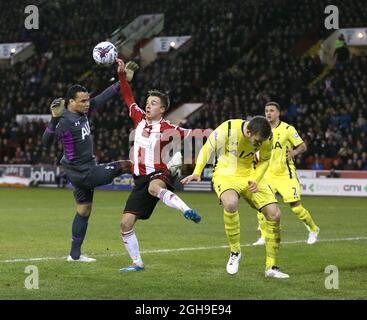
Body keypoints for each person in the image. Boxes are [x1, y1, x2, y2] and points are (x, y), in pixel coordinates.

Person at [42, 62, 138, 262]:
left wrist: (123, 80)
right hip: (84, 173)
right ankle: (152, 187)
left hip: (79, 171)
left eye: (87, 100)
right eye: (83, 101)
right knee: (127, 165)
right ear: (71, 102)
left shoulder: (83, 111)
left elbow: (103, 97)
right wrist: (53, 119)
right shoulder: (65, 121)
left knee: (84, 210)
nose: (87, 103)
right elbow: (46, 142)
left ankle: (74, 255)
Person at [116, 59, 202, 272]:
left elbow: (195, 135)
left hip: (158, 173)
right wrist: (121, 75)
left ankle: (186, 210)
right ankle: (137, 263)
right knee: (125, 224)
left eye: (154, 103)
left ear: (162, 109)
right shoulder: (138, 118)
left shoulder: (166, 127)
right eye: (148, 101)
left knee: (155, 188)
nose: (148, 104)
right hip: (139, 180)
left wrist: (220, 134)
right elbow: (127, 96)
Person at [181, 116, 289, 279]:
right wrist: (197, 172)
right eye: (257, 141)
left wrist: (256, 179)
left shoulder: (267, 137)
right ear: (248, 131)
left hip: (250, 174)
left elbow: (264, 161)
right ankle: (235, 251)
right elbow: (207, 149)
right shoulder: (228, 129)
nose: (259, 145)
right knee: (231, 204)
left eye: (261, 142)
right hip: (226, 173)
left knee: (275, 214)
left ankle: (271, 267)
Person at [252, 101, 319, 247]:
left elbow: (303, 146)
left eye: (271, 110)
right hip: (267, 175)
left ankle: (313, 229)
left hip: (285, 175)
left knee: (295, 206)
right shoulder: (261, 131)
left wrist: (294, 152)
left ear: (278, 113)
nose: (268, 113)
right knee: (261, 207)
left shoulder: (288, 129)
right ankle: (264, 236)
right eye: (266, 111)